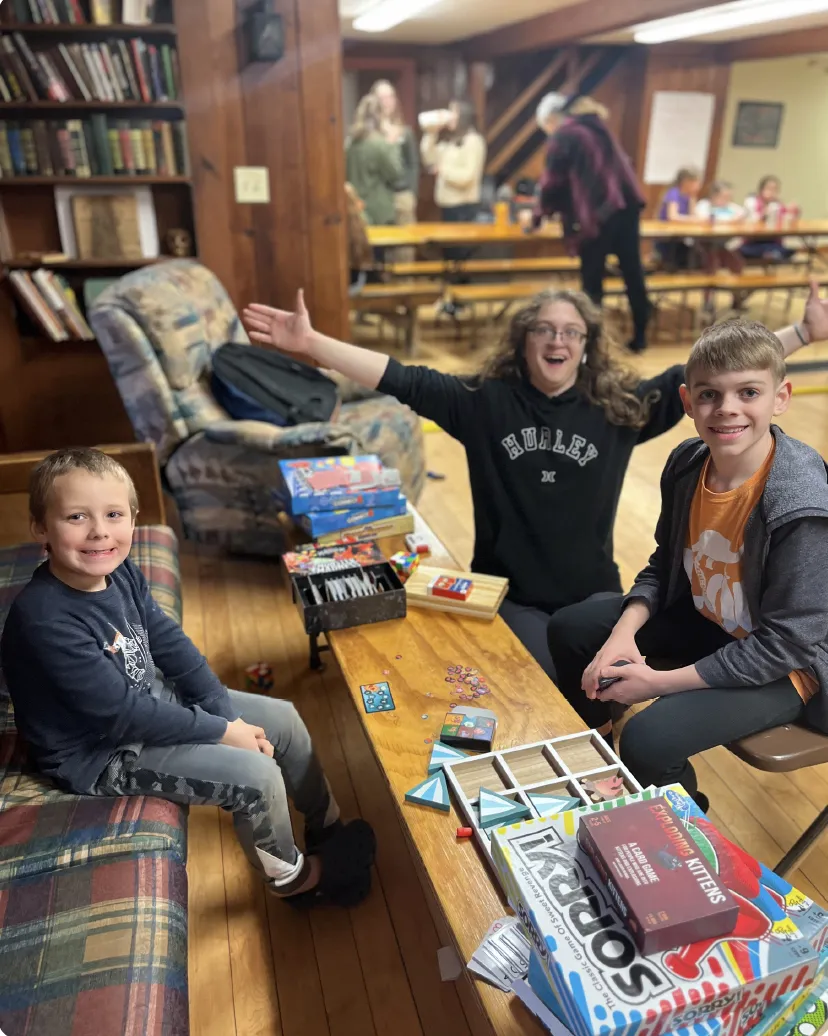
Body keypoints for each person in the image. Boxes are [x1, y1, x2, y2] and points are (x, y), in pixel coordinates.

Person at [241, 285, 824, 688]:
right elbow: (401, 377)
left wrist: (801, 331)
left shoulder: (617, 408)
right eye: (544, 328)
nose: (558, 339)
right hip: (510, 596)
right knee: (539, 689)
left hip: (595, 594)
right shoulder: (483, 404)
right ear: (524, 340)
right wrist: (312, 345)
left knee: (596, 688)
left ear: (586, 345)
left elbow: (716, 376)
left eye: (571, 331)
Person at [0, 448, 376, 907]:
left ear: (133, 519)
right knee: (256, 777)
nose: (99, 531)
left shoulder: (120, 572)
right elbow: (121, 717)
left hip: (145, 703)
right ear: (41, 526)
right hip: (101, 752)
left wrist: (224, 715)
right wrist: (223, 731)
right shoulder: (43, 620)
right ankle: (295, 881)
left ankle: (325, 826)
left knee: (285, 719)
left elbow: (169, 644)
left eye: (113, 514)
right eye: (77, 516)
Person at [547, 315, 828, 808]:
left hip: (788, 664)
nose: (726, 410)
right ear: (687, 402)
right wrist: (622, 634)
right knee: (573, 626)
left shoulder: (800, 503)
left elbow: (786, 643)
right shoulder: (687, 462)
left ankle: (686, 825)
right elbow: (663, 563)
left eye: (748, 393)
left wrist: (657, 684)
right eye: (709, 395)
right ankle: (600, 753)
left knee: (650, 741)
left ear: (780, 397)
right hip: (712, 620)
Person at [534, 93, 651, 354]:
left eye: (547, 128)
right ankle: (641, 336)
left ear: (552, 119)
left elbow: (552, 182)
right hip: (626, 207)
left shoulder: (565, 134)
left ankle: (593, 345)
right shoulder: (596, 126)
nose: (549, 134)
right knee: (633, 273)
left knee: (592, 280)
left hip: (598, 215)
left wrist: (537, 216)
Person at [371, 79, 419, 262]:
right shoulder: (369, 133)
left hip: (402, 196)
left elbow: (413, 163)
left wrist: (412, 191)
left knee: (405, 248)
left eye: (390, 96)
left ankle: (406, 285)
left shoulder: (404, 132)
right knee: (383, 248)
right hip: (379, 198)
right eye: (382, 97)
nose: (387, 101)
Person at [345, 94, 402, 228]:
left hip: (356, 208)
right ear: (379, 117)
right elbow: (395, 173)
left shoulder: (350, 143)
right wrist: (393, 144)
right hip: (379, 212)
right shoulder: (379, 143)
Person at [656, 167, 703, 272]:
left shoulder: (689, 196)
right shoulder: (673, 193)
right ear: (686, 182)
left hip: (680, 236)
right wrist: (693, 220)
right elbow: (672, 217)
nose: (699, 186)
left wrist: (692, 198)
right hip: (666, 237)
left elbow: (693, 215)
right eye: (696, 182)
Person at [694, 180, 745, 274]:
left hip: (727, 238)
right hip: (706, 239)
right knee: (713, 249)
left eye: (729, 197)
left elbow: (741, 215)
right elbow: (704, 220)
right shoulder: (704, 205)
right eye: (724, 197)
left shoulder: (731, 207)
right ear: (713, 196)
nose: (727, 200)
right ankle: (712, 273)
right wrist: (729, 222)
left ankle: (736, 271)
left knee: (725, 249)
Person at [742, 175, 795, 262]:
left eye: (775, 189)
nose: (772, 192)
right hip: (754, 240)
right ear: (761, 189)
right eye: (769, 188)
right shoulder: (751, 202)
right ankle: (770, 254)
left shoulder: (778, 204)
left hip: (772, 240)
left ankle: (771, 254)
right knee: (747, 250)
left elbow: (787, 219)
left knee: (787, 250)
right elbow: (751, 221)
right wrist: (764, 214)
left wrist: (792, 212)